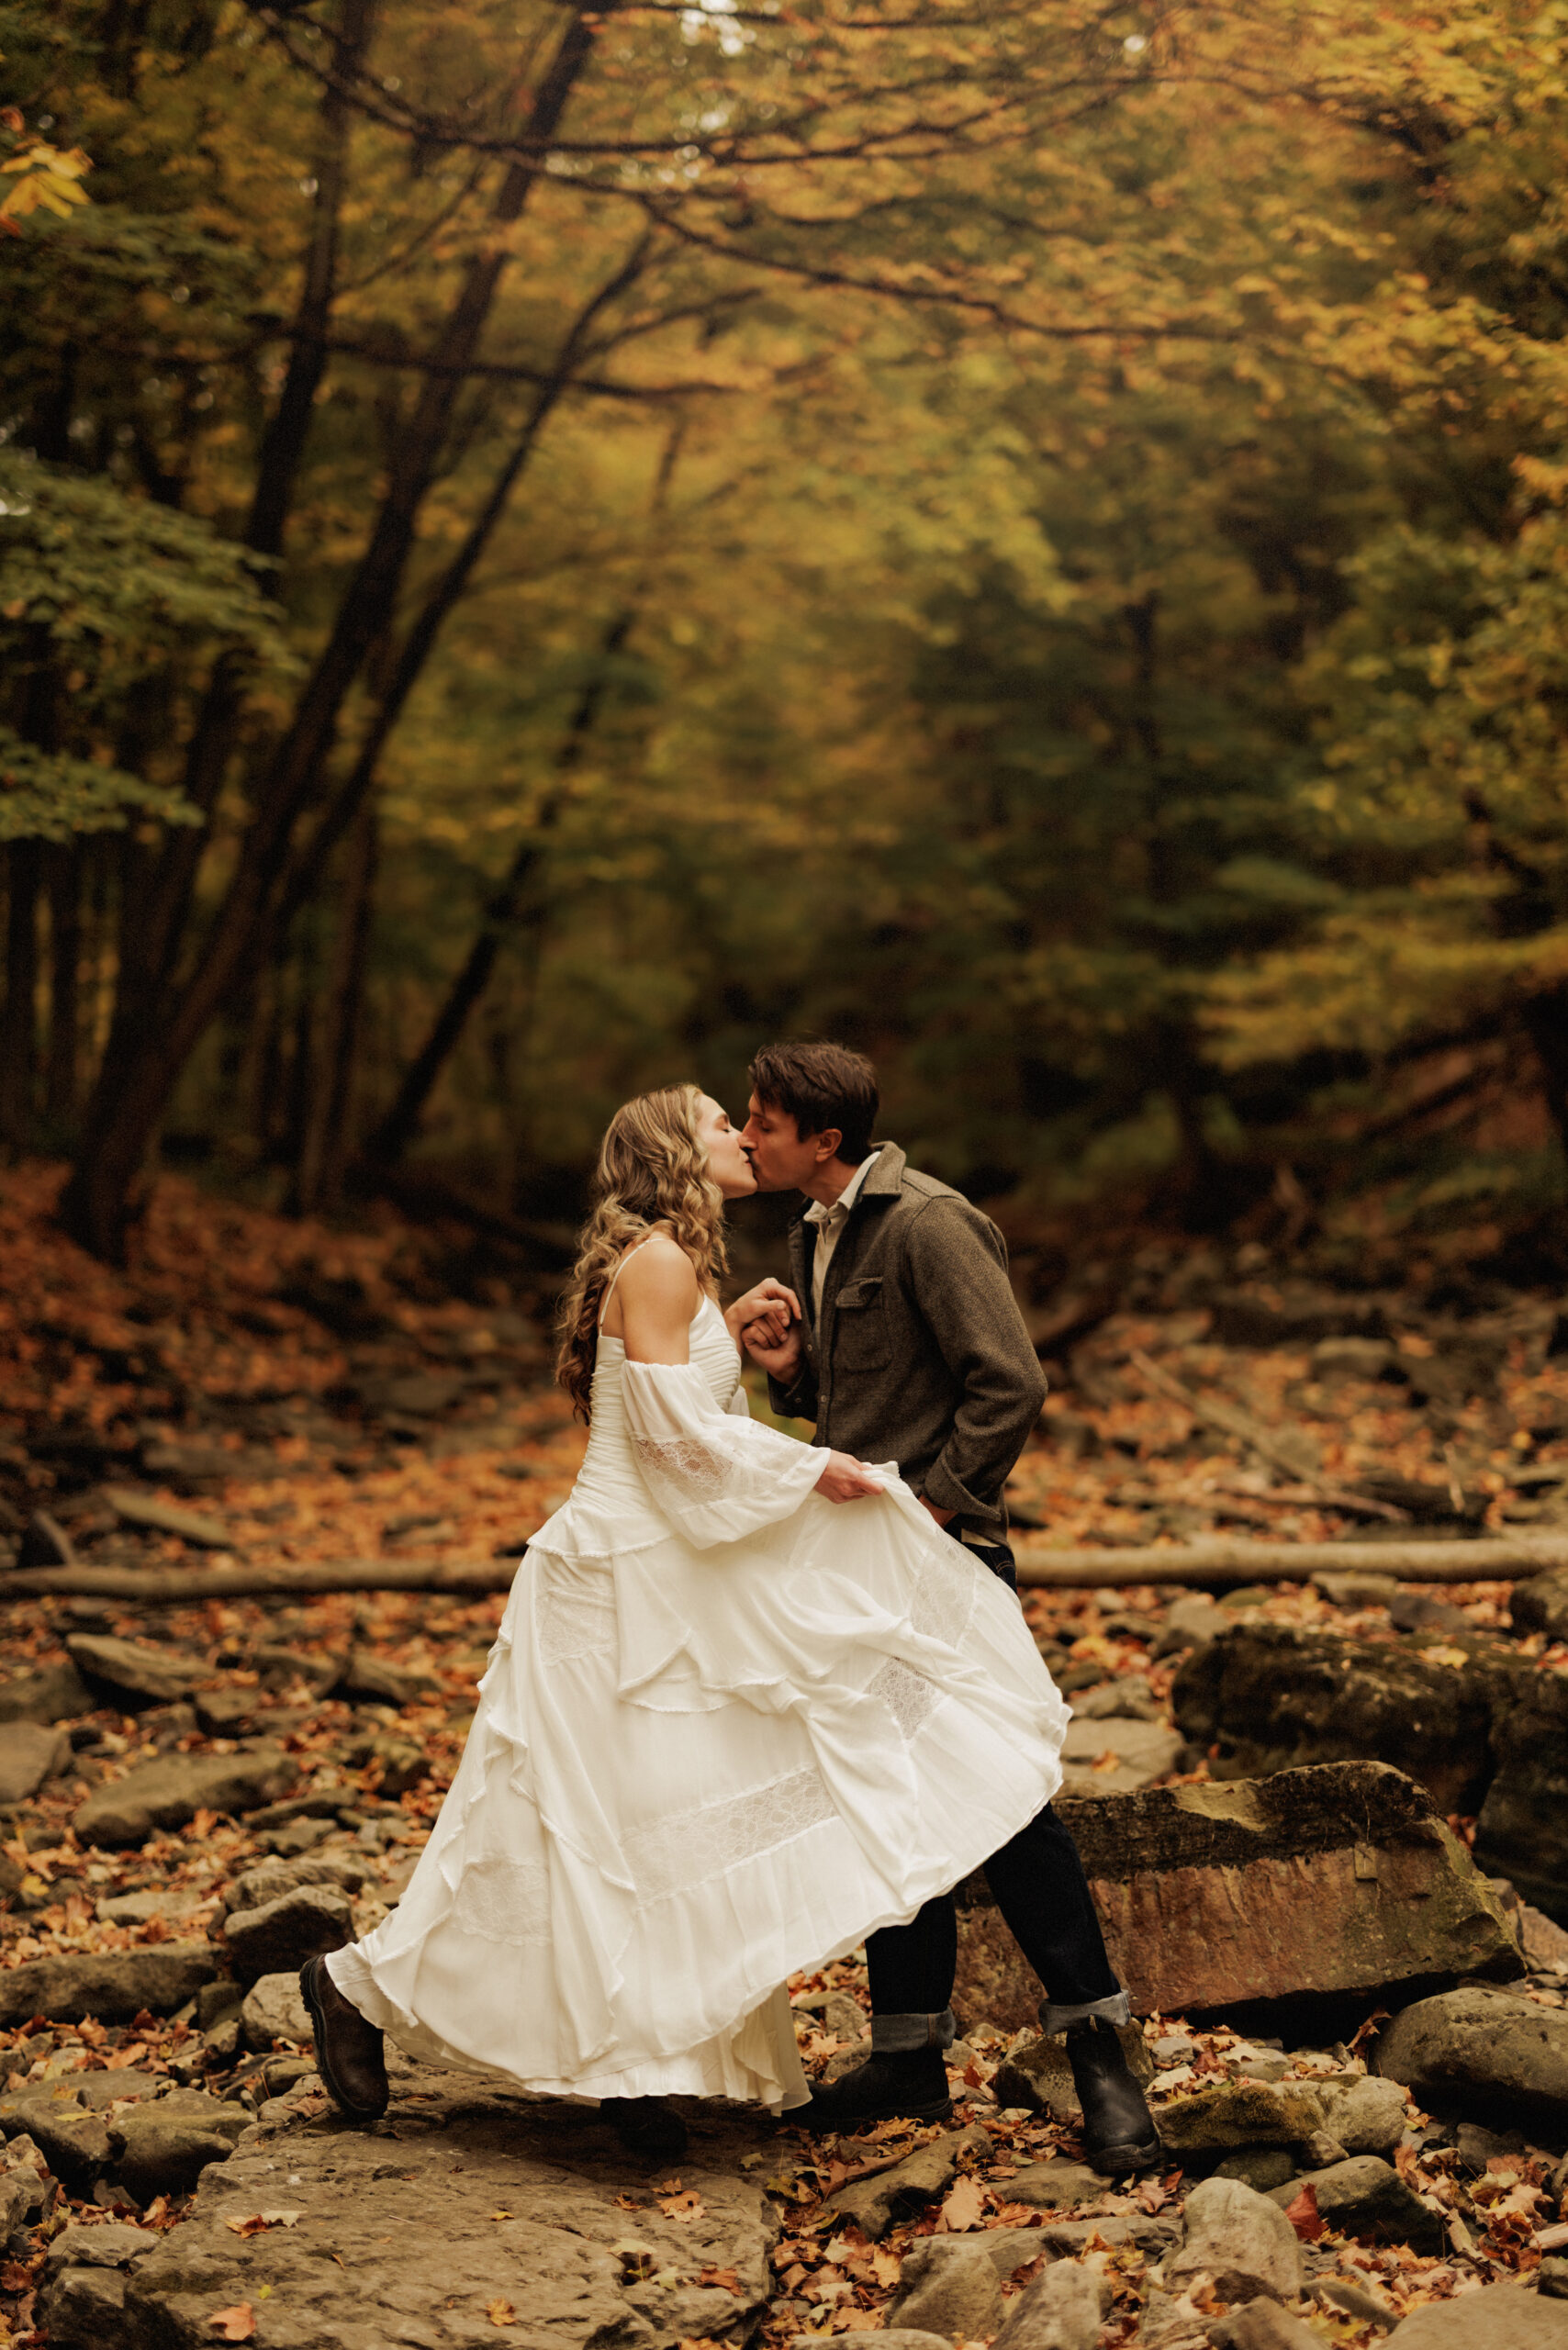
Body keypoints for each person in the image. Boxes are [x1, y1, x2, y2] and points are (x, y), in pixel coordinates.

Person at [301, 1082, 1071, 2162]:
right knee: (557, 1828)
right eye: (720, 1122)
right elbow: (670, 1442)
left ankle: (631, 2061)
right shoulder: (660, 1262)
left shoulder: (678, 1265)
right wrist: (815, 1468)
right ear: (675, 1149)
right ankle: (355, 1985)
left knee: (640, 1826)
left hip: (657, 1572)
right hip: (610, 1580)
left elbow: (685, 1412)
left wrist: (744, 1343)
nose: (741, 1135)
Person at [736, 1040, 1161, 2174]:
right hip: (852, 1569)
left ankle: (1101, 2051)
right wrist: (791, 1372)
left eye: (763, 1122)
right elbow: (865, 1397)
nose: (746, 1136)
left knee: (1010, 1808)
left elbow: (1008, 1378)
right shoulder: (811, 1231)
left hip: (943, 1562)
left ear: (823, 1140)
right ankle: (907, 2057)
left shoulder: (928, 1221)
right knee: (882, 1798)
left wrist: (939, 1506)